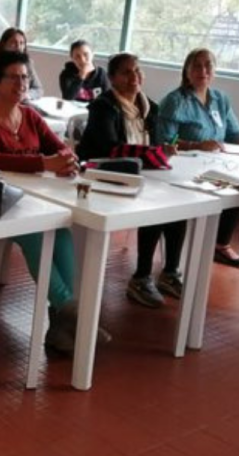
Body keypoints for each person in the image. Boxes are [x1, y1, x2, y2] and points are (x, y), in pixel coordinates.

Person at [0, 50, 89, 352]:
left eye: (24, 77)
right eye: (13, 78)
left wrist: (67, 159)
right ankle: (73, 312)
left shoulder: (30, 116)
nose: (21, 83)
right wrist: (45, 164)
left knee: (61, 233)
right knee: (35, 236)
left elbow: (60, 148)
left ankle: (62, 321)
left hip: (34, 198)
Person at [78, 53, 184, 309]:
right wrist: (152, 154)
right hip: (105, 173)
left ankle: (169, 272)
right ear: (113, 78)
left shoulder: (151, 107)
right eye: (126, 72)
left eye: (137, 71)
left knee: (176, 207)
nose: (134, 77)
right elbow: (109, 148)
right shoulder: (104, 106)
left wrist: (162, 151)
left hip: (141, 172)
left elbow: (156, 145)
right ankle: (141, 277)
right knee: (155, 207)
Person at [157, 48, 239, 267]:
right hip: (183, 169)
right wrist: (197, 144)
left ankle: (220, 243)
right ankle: (186, 255)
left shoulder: (220, 99)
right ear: (187, 71)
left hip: (213, 165)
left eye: (208, 65)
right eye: (197, 65)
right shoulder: (175, 101)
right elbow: (165, 141)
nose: (203, 70)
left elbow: (233, 134)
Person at [0, 28, 44, 101]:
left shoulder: (28, 63)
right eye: (13, 42)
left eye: (22, 43)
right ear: (4, 45)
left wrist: (27, 95)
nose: (18, 47)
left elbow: (38, 89)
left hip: (23, 102)